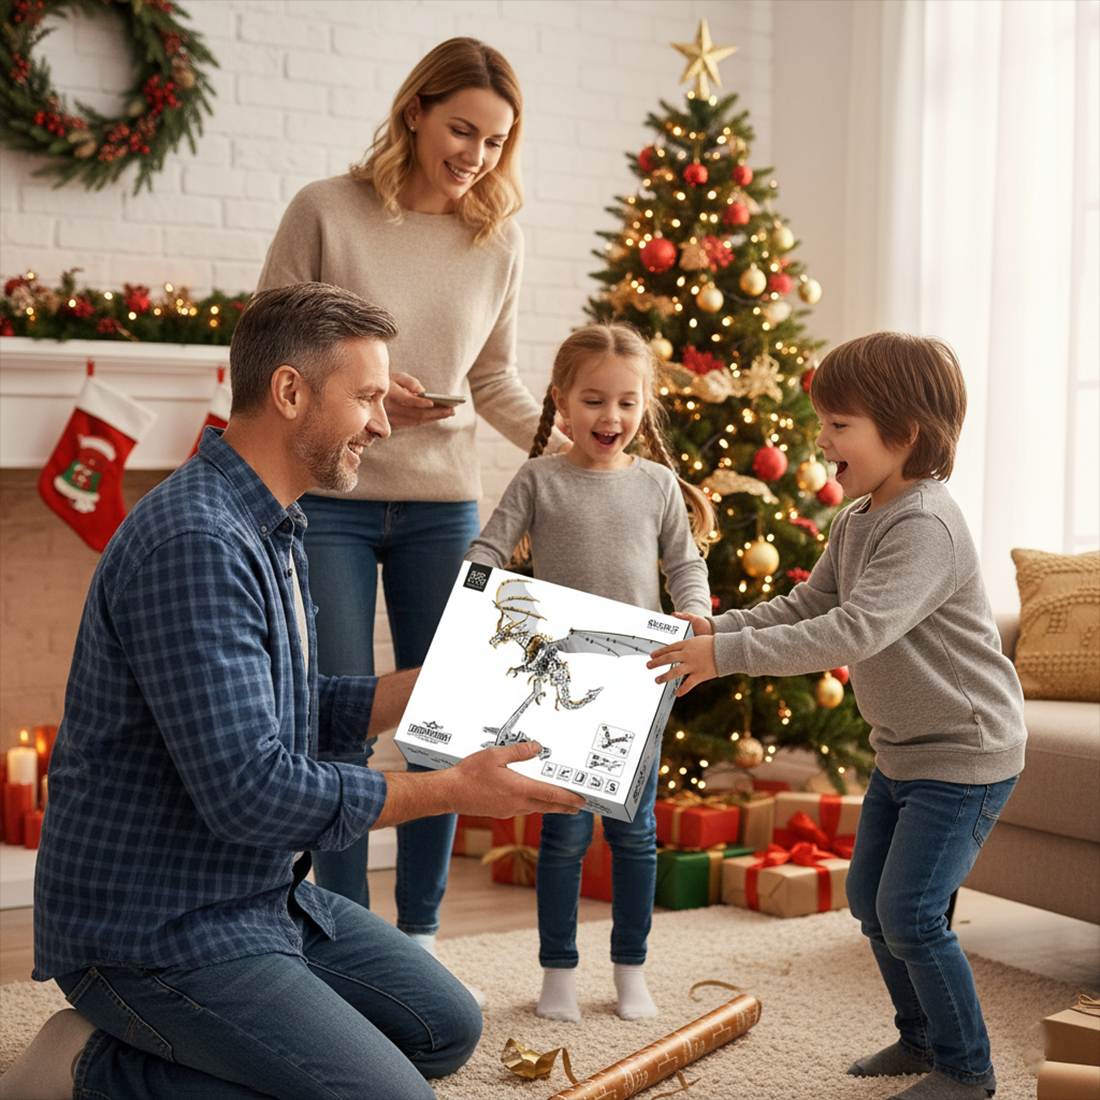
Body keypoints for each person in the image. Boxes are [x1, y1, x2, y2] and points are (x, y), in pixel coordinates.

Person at [0, 282, 585, 1100]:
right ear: (289, 391)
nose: (382, 424)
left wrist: (414, 691)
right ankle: (87, 1066)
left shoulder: (268, 522)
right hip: (158, 928)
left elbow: (288, 709)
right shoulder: (198, 543)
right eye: (370, 397)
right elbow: (250, 792)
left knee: (445, 1028)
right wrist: (453, 790)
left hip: (257, 896)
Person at [254, 38, 566, 978]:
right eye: (461, 128)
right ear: (415, 113)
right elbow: (270, 340)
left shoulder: (496, 238)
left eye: (495, 140)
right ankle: (338, 932)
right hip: (337, 500)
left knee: (450, 719)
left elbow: (496, 380)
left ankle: (418, 938)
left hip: (443, 505)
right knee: (339, 723)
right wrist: (373, 398)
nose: (474, 154)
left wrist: (575, 448)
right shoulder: (326, 211)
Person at [648, 332, 1026, 1100]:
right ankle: (919, 1037)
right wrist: (719, 628)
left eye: (839, 423)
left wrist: (725, 660)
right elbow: (811, 603)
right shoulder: (857, 518)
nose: (821, 438)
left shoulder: (925, 525)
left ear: (905, 432)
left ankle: (968, 1068)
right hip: (904, 752)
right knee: (869, 903)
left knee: (912, 912)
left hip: (965, 754)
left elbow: (854, 630)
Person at [464, 322, 716, 1023]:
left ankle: (630, 970)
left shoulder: (661, 486)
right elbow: (488, 548)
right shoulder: (540, 478)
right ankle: (558, 976)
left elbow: (685, 565)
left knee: (634, 835)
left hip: (639, 688)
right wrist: (474, 597)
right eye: (595, 400)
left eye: (628, 403)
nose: (612, 418)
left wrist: (695, 612)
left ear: (645, 407)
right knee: (564, 835)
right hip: (560, 689)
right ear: (563, 402)